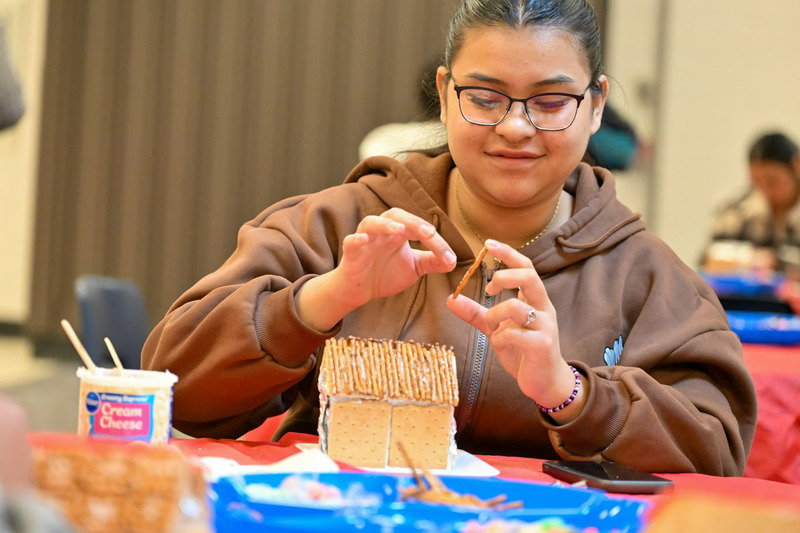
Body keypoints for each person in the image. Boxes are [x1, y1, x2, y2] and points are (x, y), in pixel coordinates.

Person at [143, 0, 756, 476]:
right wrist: (318, 302)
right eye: (484, 98)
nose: (516, 127)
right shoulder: (342, 223)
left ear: (595, 106)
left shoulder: (643, 274)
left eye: (550, 101)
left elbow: (717, 452)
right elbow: (177, 388)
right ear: (443, 96)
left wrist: (571, 394)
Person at [703, 132, 800, 273]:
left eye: (772, 181)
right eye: (756, 181)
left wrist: (777, 261)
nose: (765, 189)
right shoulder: (737, 210)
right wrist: (750, 259)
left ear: (796, 166)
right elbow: (709, 258)